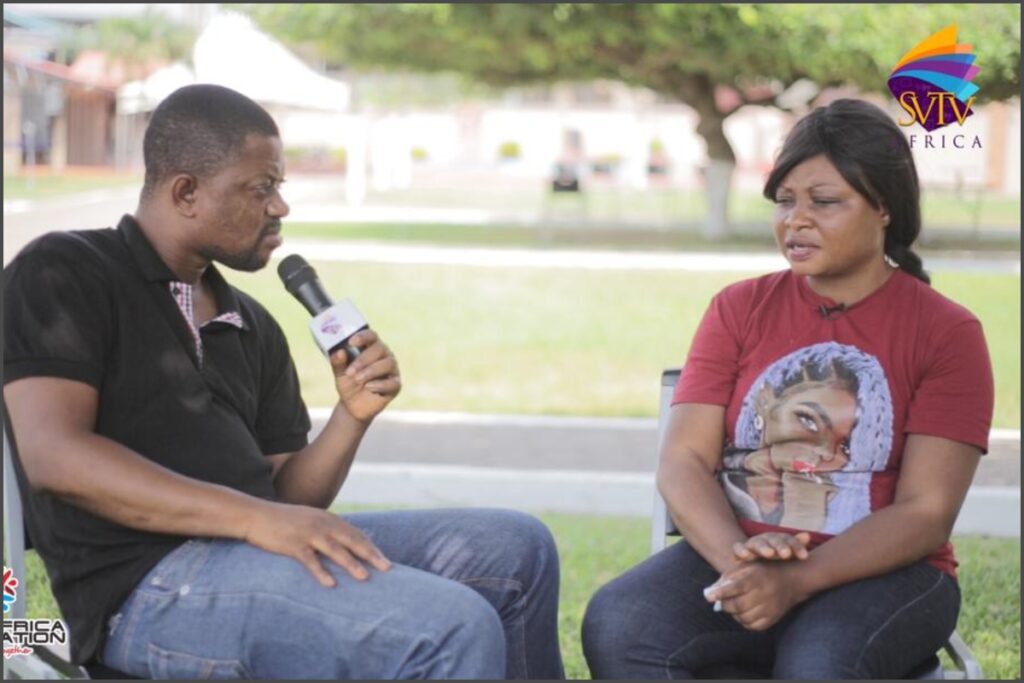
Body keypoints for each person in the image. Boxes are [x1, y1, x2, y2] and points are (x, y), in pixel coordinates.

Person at [4, 84, 564, 680]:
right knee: (450, 625)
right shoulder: (66, 271)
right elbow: (57, 457)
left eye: (280, 187)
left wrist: (351, 416)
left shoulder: (251, 322)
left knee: (518, 548)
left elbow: (288, 502)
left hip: (254, 555)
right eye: (261, 188)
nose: (280, 208)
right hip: (145, 588)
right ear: (186, 192)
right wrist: (253, 519)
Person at [582, 98, 994, 679]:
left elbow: (926, 512)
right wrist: (742, 565)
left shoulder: (946, 332)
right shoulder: (739, 308)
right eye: (784, 200)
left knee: (817, 665)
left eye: (823, 202)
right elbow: (683, 461)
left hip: (887, 573)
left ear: (884, 207)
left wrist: (798, 579)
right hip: (738, 551)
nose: (795, 220)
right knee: (621, 625)